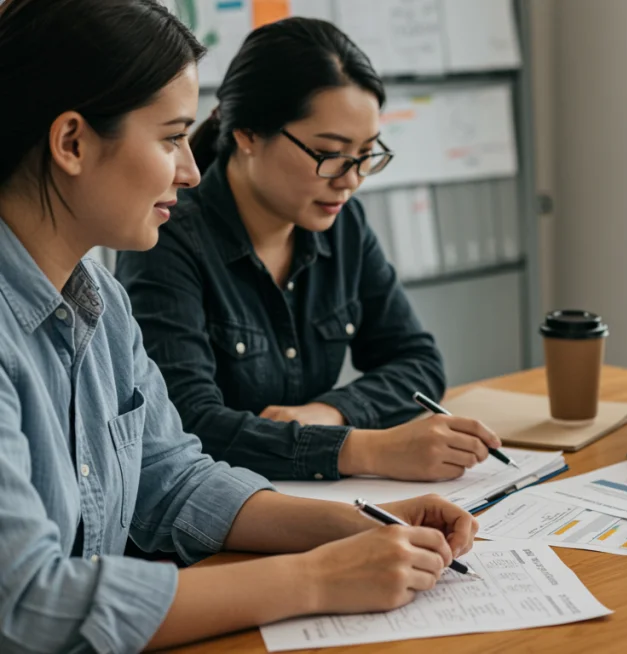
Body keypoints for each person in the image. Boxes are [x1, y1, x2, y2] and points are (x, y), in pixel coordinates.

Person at [0, 1, 479, 651]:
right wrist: (316, 580)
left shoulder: (100, 303)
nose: (190, 168)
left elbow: (173, 480)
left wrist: (358, 524)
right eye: (171, 138)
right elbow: (31, 603)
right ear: (72, 143)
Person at [115, 17, 501, 483]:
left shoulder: (341, 224)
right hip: (213, 518)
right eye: (330, 154)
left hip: (309, 498)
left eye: (365, 153)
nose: (351, 180)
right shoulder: (169, 235)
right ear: (248, 134)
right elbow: (187, 424)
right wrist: (364, 449)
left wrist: (330, 412)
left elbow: (418, 361)